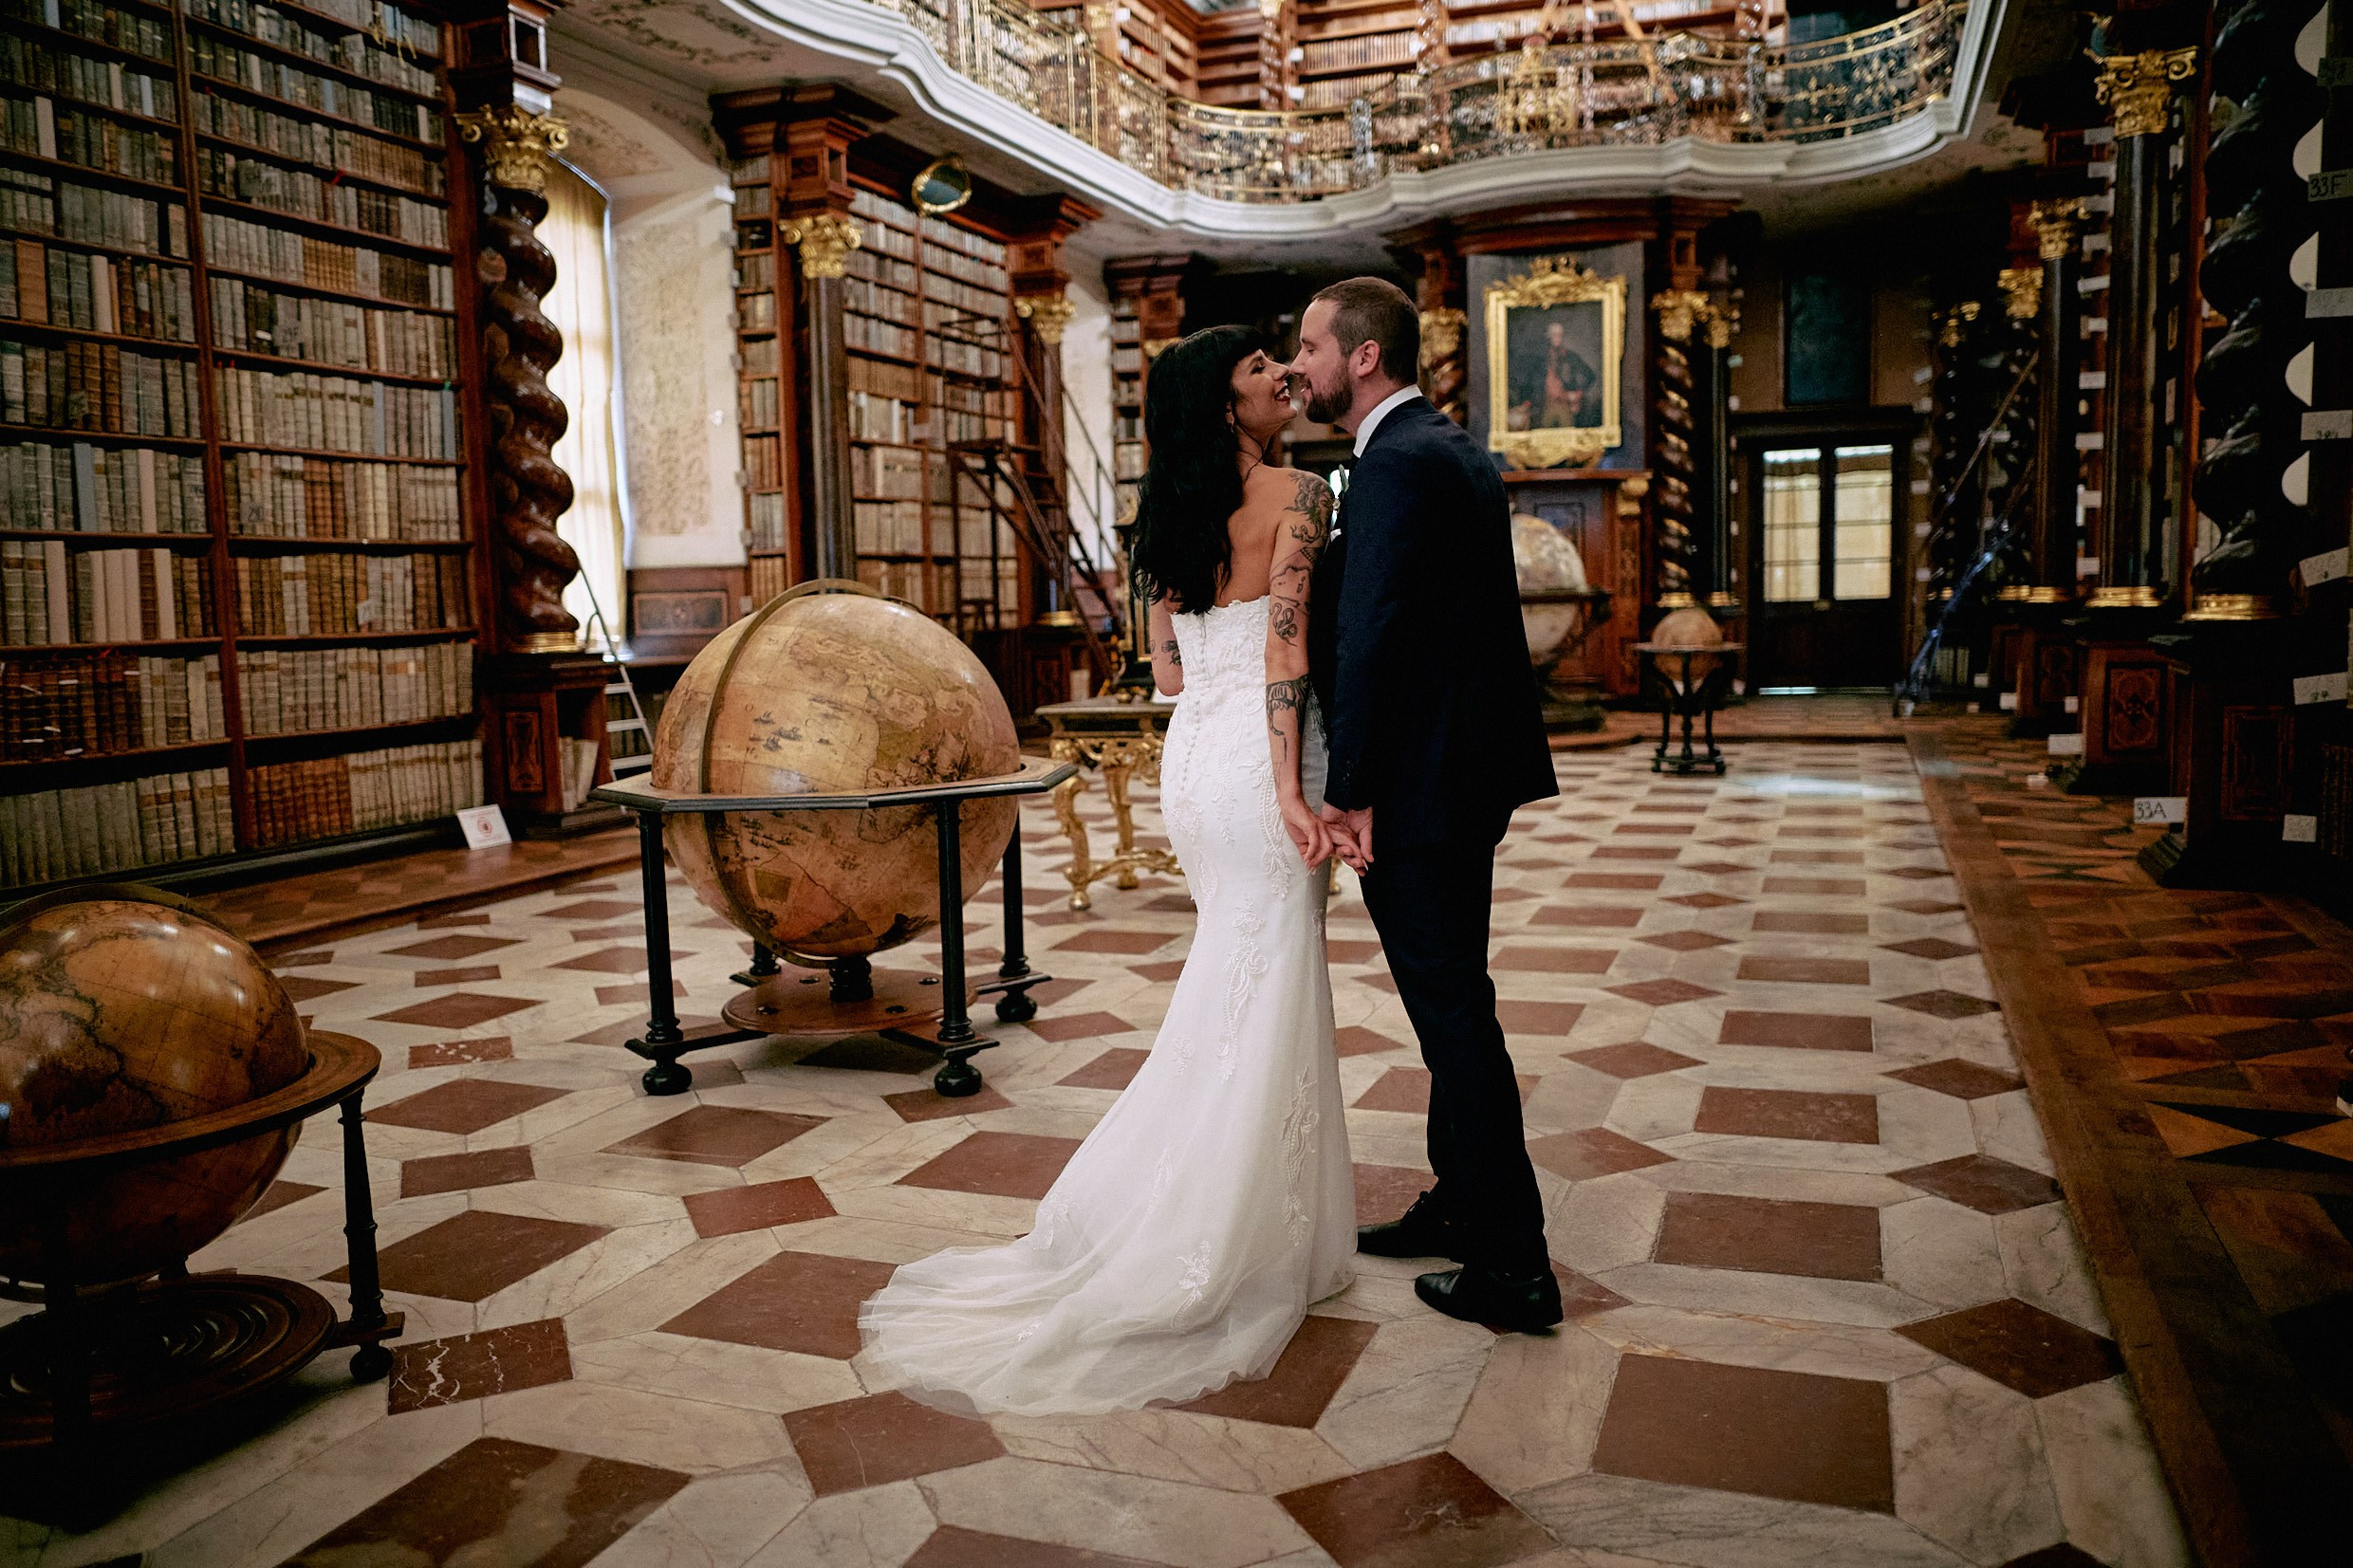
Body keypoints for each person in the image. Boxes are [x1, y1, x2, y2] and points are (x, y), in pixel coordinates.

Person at [858, 325, 1356, 1416]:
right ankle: (1237, 1230)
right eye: (1260, 371)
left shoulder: (1165, 511)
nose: (1282, 378)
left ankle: (1229, 1208)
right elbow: (1286, 652)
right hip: (1261, 762)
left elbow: (1171, 670)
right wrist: (1288, 787)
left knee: (1236, 974)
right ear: (1227, 406)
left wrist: (1234, 739)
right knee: (1266, 979)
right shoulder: (1304, 492)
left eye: (1284, 362)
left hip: (1194, 765)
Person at [1288, 277, 1566, 1333]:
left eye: (1310, 347)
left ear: (1361, 358)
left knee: (1454, 1022)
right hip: (1458, 774)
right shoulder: (1438, 447)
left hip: (1418, 788)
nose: (1299, 365)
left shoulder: (1396, 465)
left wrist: (1348, 791)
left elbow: (1381, 641)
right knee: (1456, 1003)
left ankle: (1514, 1267)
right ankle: (1460, 1205)